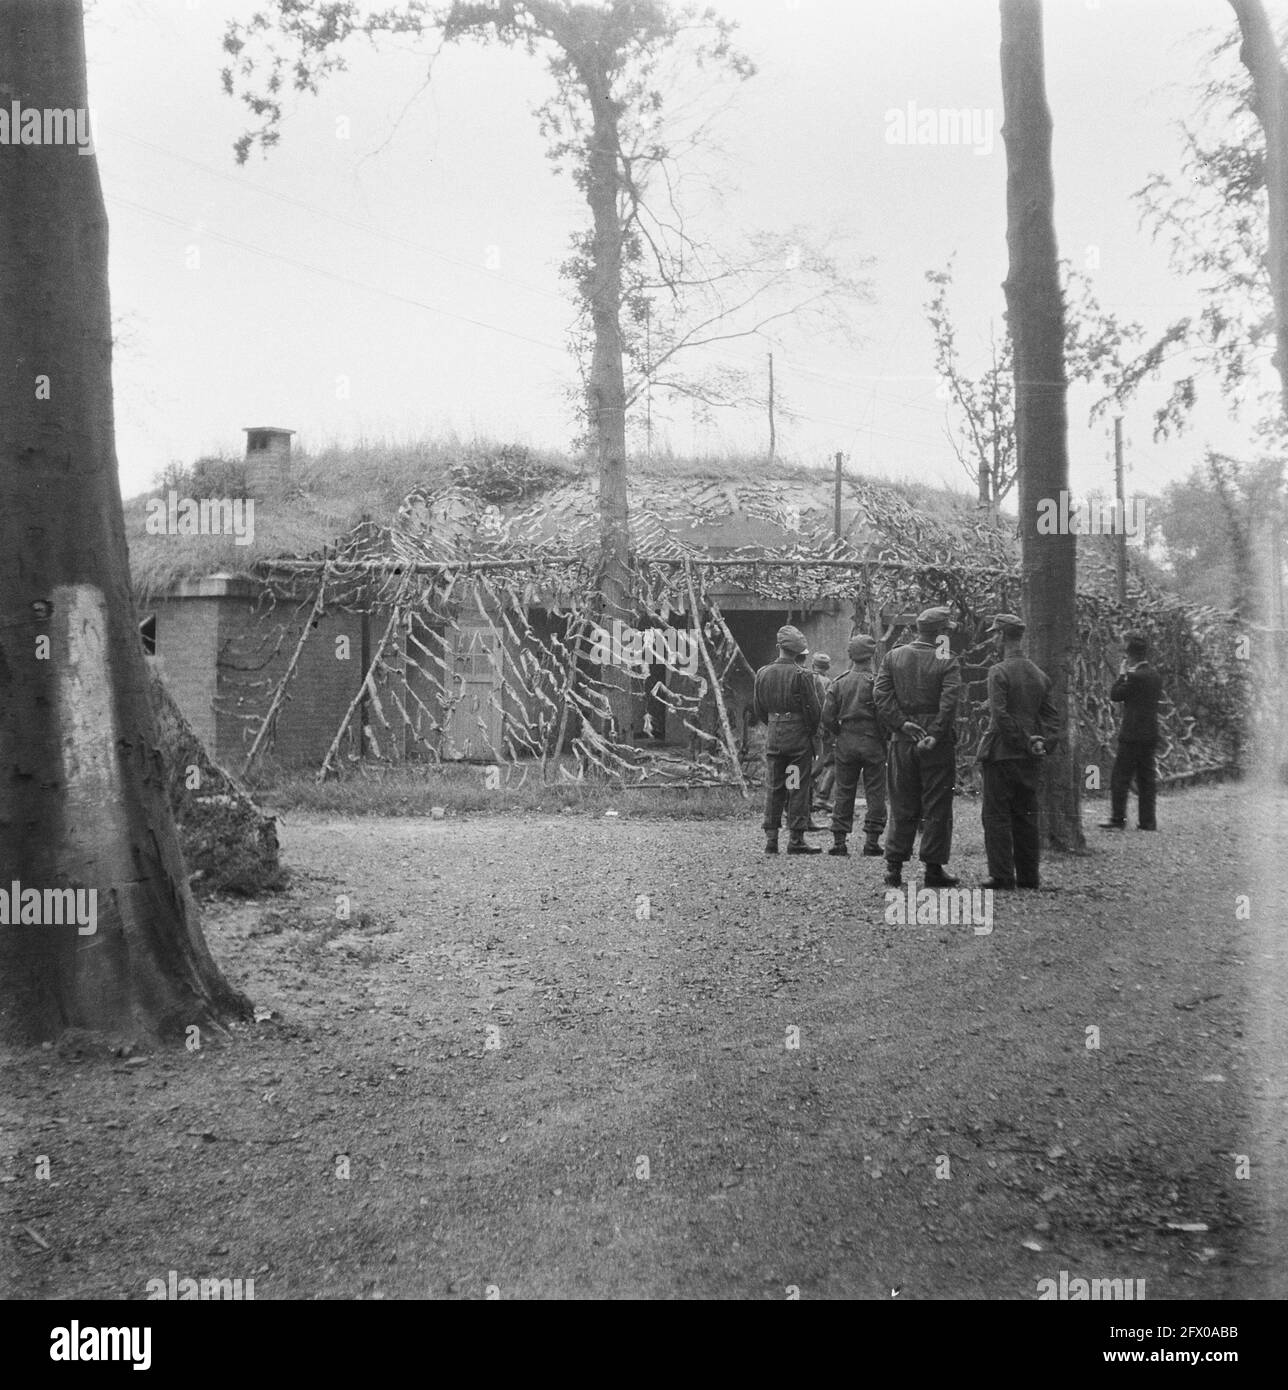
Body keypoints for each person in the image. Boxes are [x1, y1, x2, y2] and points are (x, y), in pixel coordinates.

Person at [873, 606, 961, 888]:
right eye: (947, 631)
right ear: (940, 633)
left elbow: (881, 695)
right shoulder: (947, 660)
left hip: (902, 740)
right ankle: (933, 869)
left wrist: (901, 724)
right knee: (937, 804)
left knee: (901, 801)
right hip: (937, 742)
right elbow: (949, 703)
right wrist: (934, 733)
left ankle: (894, 868)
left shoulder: (893, 656)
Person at [975, 613, 1060, 889]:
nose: (993, 638)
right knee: (1026, 815)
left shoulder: (998, 671)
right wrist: (1042, 743)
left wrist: (1024, 741)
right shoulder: (1039, 674)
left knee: (996, 815)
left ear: (1001, 636)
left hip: (1001, 753)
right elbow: (1052, 718)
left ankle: (1001, 876)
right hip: (1029, 757)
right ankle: (1028, 876)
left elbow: (1000, 716)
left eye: (994, 634)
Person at [752, 625, 823, 855]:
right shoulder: (803, 675)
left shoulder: (763, 673)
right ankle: (796, 839)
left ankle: (771, 839)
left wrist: (775, 723)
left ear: (778, 647)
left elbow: (759, 709)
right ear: (799, 652)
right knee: (796, 786)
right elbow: (813, 710)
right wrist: (810, 732)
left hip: (775, 736)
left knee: (775, 785)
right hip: (797, 741)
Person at [822, 633, 887, 857]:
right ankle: (872, 842)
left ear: (851, 656)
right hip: (872, 740)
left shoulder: (839, 682)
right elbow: (885, 714)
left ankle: (839, 842)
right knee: (875, 791)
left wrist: (839, 732)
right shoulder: (878, 682)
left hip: (846, 740)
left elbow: (827, 716)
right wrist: (883, 737)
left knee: (844, 790)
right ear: (871, 655)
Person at [1100, 631, 1164, 832]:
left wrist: (1121, 675)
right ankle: (1148, 822)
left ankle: (1118, 819)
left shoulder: (1134, 677)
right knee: (1147, 779)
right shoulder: (1155, 676)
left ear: (1130, 656)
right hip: (1150, 733)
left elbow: (1115, 695)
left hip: (1132, 734)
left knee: (1120, 777)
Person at [810, 652, 836, 819]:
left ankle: (794, 800)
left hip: (804, 730)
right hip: (822, 730)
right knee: (830, 762)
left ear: (813, 665)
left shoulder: (805, 678)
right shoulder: (827, 682)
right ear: (827, 667)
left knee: (801, 765)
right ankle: (821, 798)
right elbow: (828, 709)